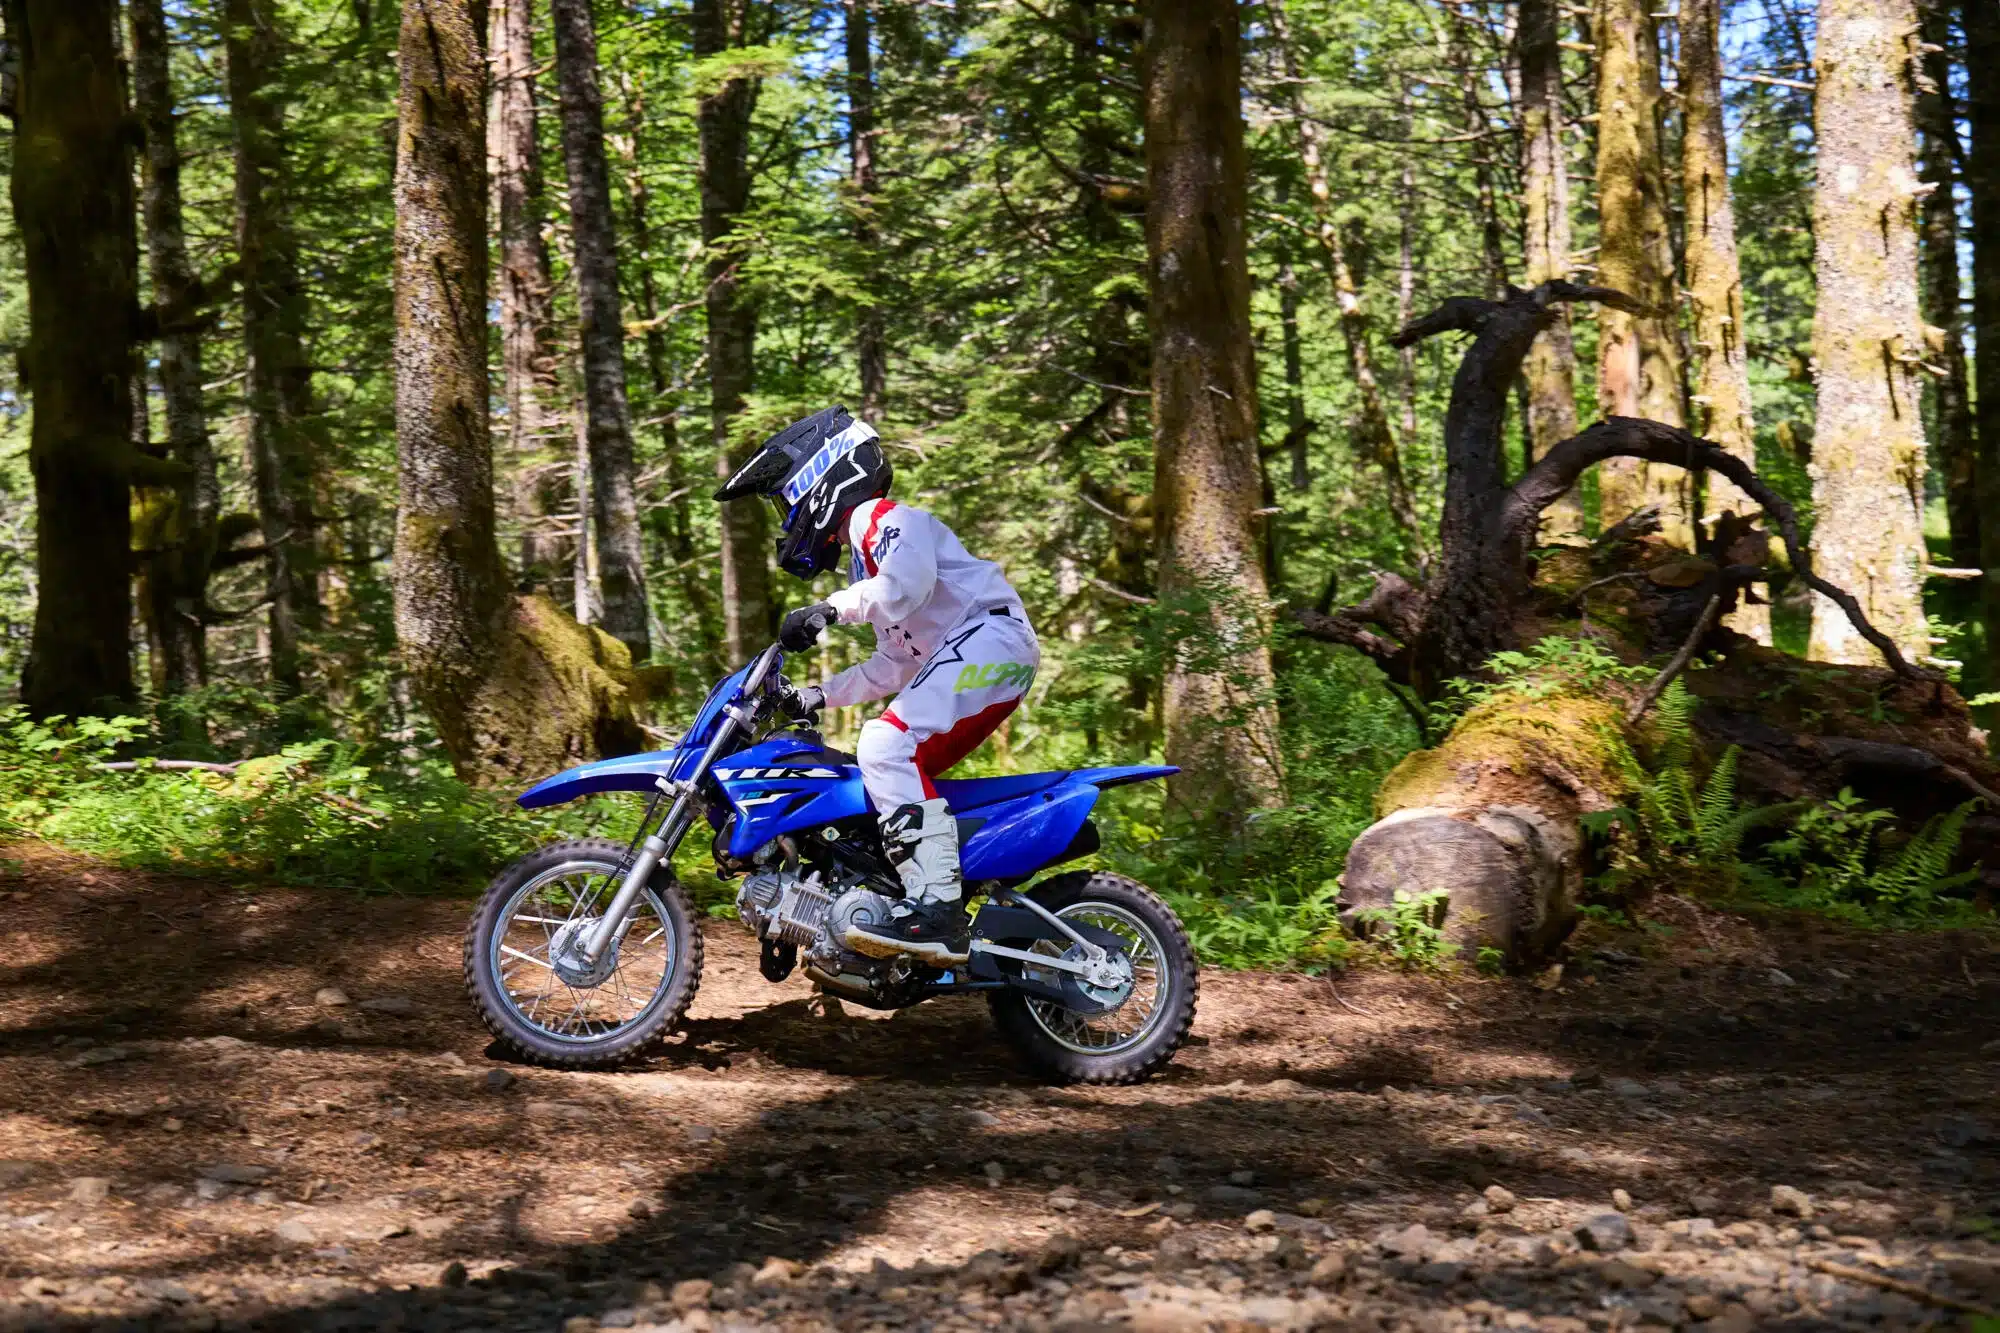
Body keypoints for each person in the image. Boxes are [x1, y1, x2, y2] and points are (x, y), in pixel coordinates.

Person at [714, 407, 1040, 963]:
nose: (786, 516)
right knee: (885, 768)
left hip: (992, 640)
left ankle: (936, 906)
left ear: (819, 480)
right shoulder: (866, 562)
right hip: (983, 649)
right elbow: (891, 664)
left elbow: (904, 587)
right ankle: (887, 898)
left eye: (784, 501)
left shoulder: (880, 518)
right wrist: (815, 695)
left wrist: (828, 611)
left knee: (884, 744)